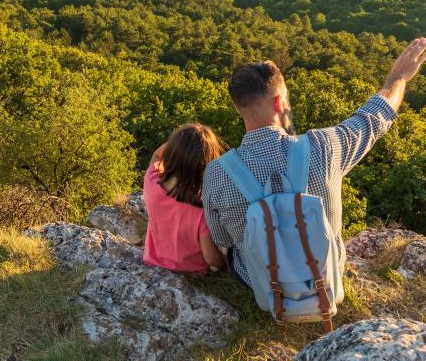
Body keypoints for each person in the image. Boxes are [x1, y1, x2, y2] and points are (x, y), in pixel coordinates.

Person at [202, 37, 426, 288]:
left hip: (263, 285)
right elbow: (374, 117)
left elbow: (222, 238)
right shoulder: (324, 146)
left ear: (238, 107)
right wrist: (398, 77)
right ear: (279, 102)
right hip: (325, 278)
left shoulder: (217, 173)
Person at [143, 123, 226, 274]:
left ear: (171, 154)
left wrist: (179, 146)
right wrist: (222, 264)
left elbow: (156, 155)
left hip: (153, 262)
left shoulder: (151, 182)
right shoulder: (201, 210)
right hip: (190, 271)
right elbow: (212, 259)